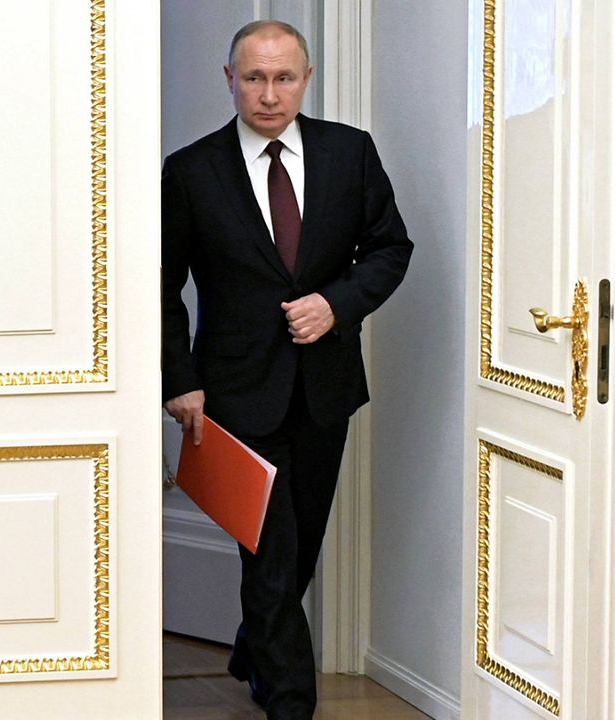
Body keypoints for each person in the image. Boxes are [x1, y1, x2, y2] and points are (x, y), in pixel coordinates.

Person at [161, 19, 413, 720]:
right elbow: (160, 287)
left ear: (306, 78)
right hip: (236, 394)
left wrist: (336, 305)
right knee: (269, 559)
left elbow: (391, 248)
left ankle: (252, 648)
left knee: (297, 552)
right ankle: (292, 705)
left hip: (325, 387)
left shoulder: (349, 153)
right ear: (230, 79)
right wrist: (178, 379)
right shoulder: (190, 170)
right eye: (253, 78)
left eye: (283, 78)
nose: (268, 94)